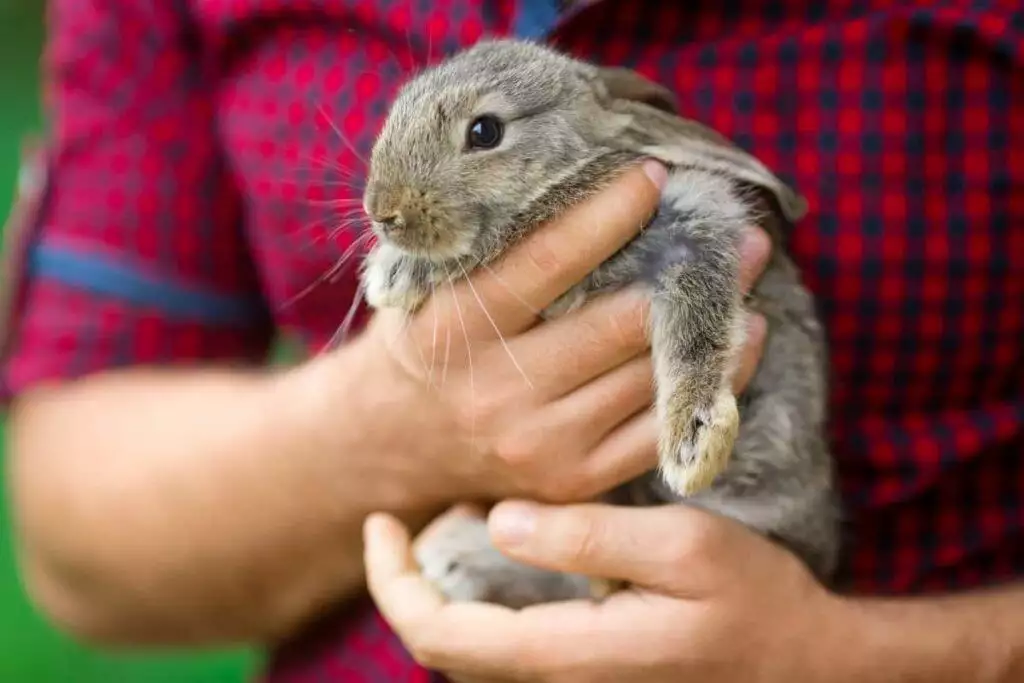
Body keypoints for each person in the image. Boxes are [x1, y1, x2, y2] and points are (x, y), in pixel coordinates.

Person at [1, 1, 1021, 682]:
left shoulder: (638, 160)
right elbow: (77, 536)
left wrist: (850, 655)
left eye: (481, 139)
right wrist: (385, 428)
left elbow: (703, 242)